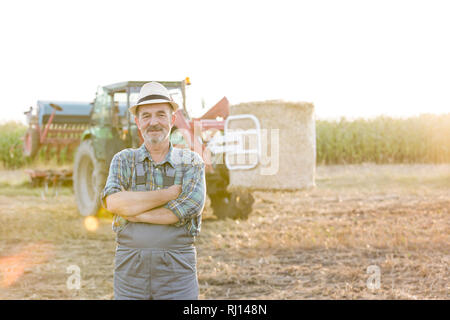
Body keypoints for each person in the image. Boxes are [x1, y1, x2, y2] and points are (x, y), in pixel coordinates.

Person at [101, 81, 206, 300]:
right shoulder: (123, 160)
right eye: (146, 116)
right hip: (131, 269)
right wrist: (166, 195)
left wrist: (133, 212)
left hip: (177, 268)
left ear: (172, 119)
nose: (154, 122)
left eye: (160, 114)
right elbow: (113, 203)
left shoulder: (191, 162)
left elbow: (182, 211)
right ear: (137, 122)